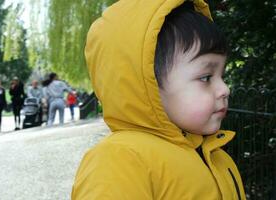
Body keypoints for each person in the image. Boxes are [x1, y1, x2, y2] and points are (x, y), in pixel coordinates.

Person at [71, 1, 246, 200]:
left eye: (222, 75)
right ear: (146, 82)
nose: (225, 89)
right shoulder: (121, 159)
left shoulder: (218, 157)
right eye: (205, 77)